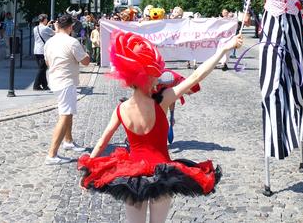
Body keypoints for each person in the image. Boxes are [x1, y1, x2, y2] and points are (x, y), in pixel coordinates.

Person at [78, 31, 243, 223]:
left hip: (132, 178)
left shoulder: (121, 109)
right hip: (163, 174)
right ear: (147, 77)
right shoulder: (162, 102)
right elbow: (196, 76)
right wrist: (223, 49)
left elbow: (102, 141)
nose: (158, 79)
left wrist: (88, 171)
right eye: (154, 75)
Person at [242, 0, 303, 161]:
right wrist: (245, 13)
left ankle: (300, 114)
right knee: (272, 68)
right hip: (272, 17)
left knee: (297, 63)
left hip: (292, 17)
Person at [44, 14, 92, 165]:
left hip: (54, 79)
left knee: (68, 111)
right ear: (71, 27)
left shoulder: (49, 42)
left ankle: (68, 141)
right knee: (65, 115)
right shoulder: (72, 42)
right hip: (66, 81)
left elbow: (47, 62)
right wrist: (87, 53)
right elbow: (85, 62)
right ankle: (52, 154)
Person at [33, 14, 55, 91]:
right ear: (44, 20)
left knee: (42, 69)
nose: (47, 20)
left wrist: (48, 25)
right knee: (42, 69)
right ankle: (36, 86)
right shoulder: (45, 28)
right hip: (43, 51)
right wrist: (55, 26)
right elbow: (55, 33)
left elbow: (43, 32)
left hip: (36, 50)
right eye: (46, 19)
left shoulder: (35, 28)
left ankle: (45, 86)